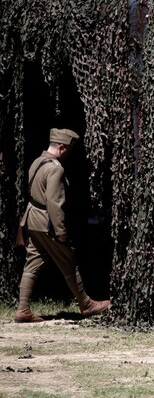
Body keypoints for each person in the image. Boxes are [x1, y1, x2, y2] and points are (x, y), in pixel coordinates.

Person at [15, 128, 111, 323]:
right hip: (46, 221)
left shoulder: (37, 162)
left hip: (32, 219)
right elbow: (54, 202)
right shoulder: (55, 168)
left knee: (32, 263)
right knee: (68, 260)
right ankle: (86, 304)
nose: (69, 154)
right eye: (68, 150)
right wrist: (60, 231)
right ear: (61, 147)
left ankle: (23, 309)